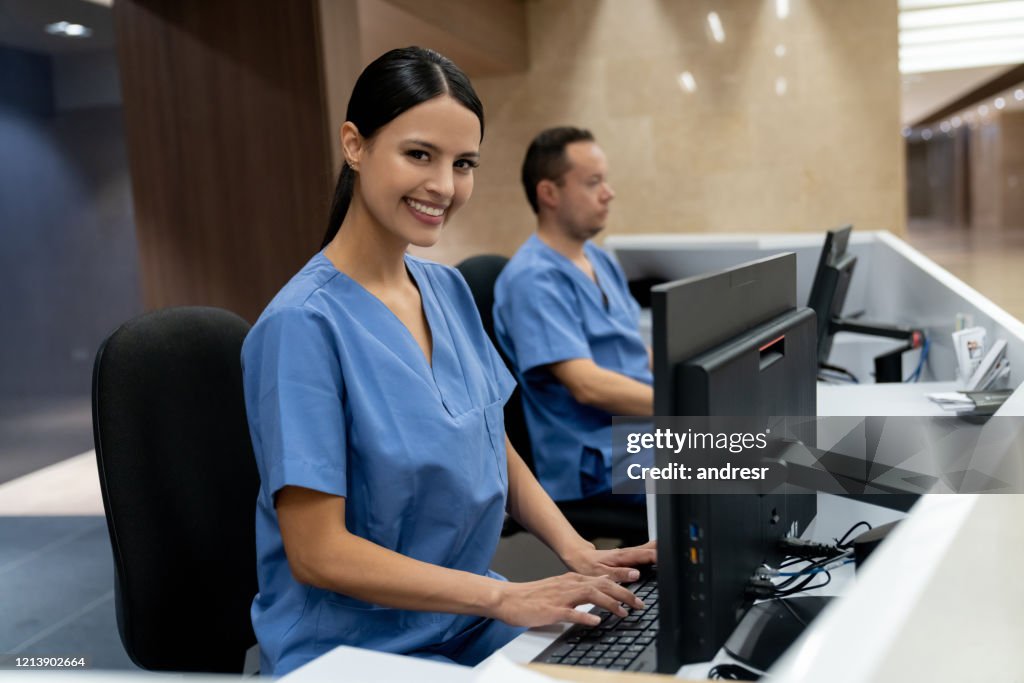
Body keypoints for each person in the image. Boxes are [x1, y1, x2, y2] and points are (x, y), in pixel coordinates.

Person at [241, 48, 655, 676]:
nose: (443, 186)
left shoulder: (447, 290)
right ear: (354, 145)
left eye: (463, 164)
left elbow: (490, 438)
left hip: (464, 623)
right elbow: (318, 553)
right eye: (419, 155)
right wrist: (506, 595)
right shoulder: (302, 325)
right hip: (355, 650)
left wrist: (579, 552)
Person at [493, 127, 653, 503]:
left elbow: (635, 351)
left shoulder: (598, 259)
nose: (608, 192)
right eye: (593, 182)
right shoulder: (532, 279)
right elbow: (588, 385)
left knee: (783, 446)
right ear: (549, 193)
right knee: (771, 462)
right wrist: (686, 404)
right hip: (598, 458)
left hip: (644, 434)